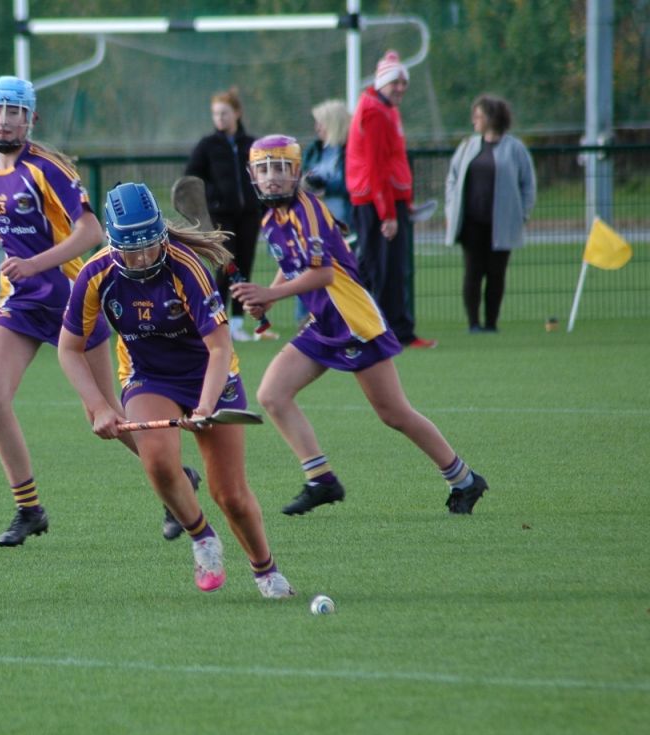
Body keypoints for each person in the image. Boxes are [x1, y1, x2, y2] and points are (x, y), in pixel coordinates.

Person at [0, 76, 181, 546]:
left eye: (14, 111)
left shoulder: (48, 168)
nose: (4, 120)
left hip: (70, 297)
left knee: (107, 417)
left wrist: (35, 264)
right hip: (19, 302)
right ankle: (28, 508)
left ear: (30, 118)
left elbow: (91, 231)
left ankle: (176, 483)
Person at [230, 135, 489, 517]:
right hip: (322, 323)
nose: (272, 178)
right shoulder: (272, 220)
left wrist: (271, 295)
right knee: (272, 394)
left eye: (281, 169)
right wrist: (268, 293)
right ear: (252, 174)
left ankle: (464, 479)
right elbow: (292, 269)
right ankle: (321, 480)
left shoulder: (309, 212)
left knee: (394, 414)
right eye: (264, 169)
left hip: (353, 321)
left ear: (296, 173)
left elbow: (321, 277)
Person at [59, 183, 296, 598]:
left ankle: (266, 572)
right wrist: (98, 406)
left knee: (231, 495)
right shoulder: (96, 274)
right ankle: (203, 538)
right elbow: (69, 349)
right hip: (148, 374)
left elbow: (220, 347)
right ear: (113, 243)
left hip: (209, 372)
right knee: (157, 461)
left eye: (150, 245)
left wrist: (206, 406)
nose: (142, 257)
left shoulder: (187, 267)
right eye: (131, 249)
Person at [346, 51, 436, 350]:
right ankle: (391, 333)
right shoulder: (375, 112)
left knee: (376, 268)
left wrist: (403, 202)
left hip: (380, 201)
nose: (400, 89)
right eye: (395, 82)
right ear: (382, 82)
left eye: (403, 83)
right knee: (384, 270)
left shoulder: (384, 109)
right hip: (376, 203)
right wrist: (388, 214)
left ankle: (372, 328)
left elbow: (390, 163)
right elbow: (377, 168)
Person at [444, 94, 536, 333]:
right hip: (472, 223)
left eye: (479, 115)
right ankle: (473, 323)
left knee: (496, 274)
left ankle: (491, 323)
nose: (474, 120)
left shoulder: (515, 148)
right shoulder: (467, 146)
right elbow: (452, 179)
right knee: (472, 272)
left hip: (503, 224)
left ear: (492, 118)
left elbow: (528, 184)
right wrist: (451, 208)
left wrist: (522, 214)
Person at [185, 88, 264, 342]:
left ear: (237, 113)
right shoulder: (207, 145)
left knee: (245, 263)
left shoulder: (250, 144)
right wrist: (213, 196)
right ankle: (219, 320)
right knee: (225, 265)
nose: (220, 118)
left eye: (224, 113)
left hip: (249, 214)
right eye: (216, 114)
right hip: (221, 215)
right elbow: (191, 176)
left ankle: (239, 324)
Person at [299, 99, 353, 326]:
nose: (317, 128)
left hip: (343, 221)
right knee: (307, 265)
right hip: (314, 220)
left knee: (340, 271)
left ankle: (344, 316)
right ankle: (305, 318)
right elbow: (301, 177)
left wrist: (326, 186)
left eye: (321, 123)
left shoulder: (349, 150)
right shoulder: (315, 150)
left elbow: (351, 184)